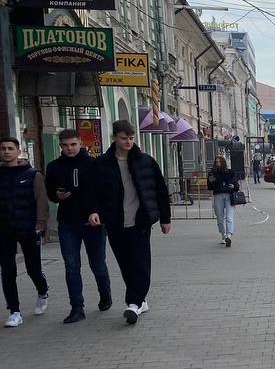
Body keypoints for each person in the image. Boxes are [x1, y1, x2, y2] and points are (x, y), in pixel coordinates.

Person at [87, 120, 172, 325]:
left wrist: (165, 218)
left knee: (140, 263)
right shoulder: (102, 164)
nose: (128, 142)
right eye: (124, 138)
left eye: (131, 138)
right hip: (115, 221)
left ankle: (133, 303)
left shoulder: (145, 161)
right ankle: (140, 300)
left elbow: (160, 190)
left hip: (140, 220)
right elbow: (93, 191)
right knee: (125, 264)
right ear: (115, 137)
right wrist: (93, 211)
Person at [45, 128, 111, 323]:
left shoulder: (94, 164)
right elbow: (50, 193)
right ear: (60, 146)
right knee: (72, 266)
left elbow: (104, 193)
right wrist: (57, 196)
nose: (69, 148)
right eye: (65, 145)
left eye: (73, 144)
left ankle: (105, 294)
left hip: (93, 223)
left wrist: (97, 211)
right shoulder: (54, 167)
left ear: (81, 143)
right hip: (68, 223)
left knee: (97, 264)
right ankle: (77, 307)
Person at [0, 136, 50, 327]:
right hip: (4, 230)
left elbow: (41, 200)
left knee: (33, 268)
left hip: (28, 228)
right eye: (3, 148)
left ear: (18, 152)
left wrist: (40, 223)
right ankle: (14, 311)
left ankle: (43, 290)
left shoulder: (32, 175)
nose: (6, 151)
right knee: (7, 270)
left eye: (10, 148)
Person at [207, 155, 239, 248]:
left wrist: (234, 186)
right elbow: (209, 186)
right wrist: (211, 181)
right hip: (218, 195)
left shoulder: (230, 172)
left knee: (229, 217)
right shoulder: (212, 173)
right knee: (220, 218)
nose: (218, 164)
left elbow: (236, 184)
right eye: (216, 162)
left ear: (223, 162)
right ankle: (223, 235)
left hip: (229, 195)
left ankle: (229, 235)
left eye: (219, 162)